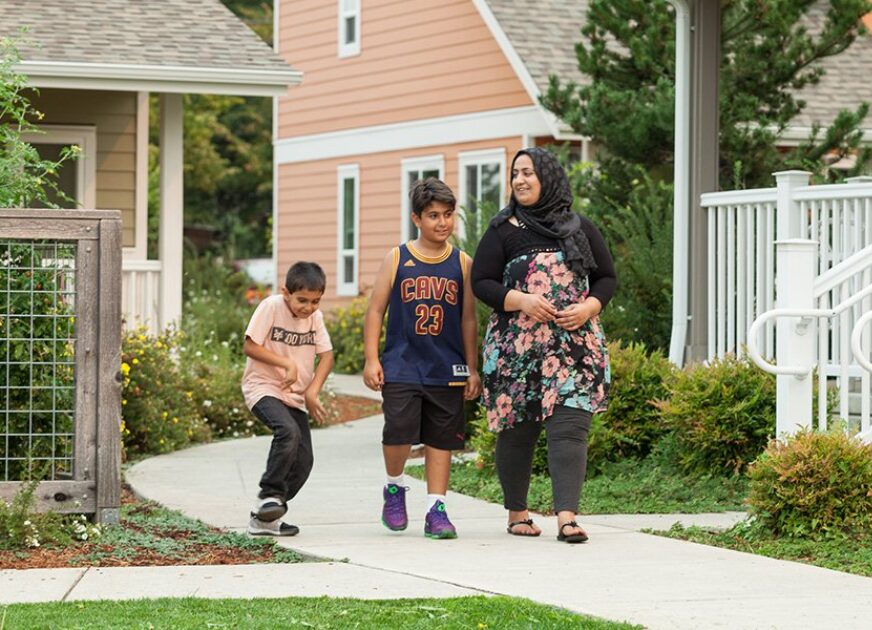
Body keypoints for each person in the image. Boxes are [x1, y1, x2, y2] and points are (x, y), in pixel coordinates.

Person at [471, 147, 616, 543]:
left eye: (528, 172)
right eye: (515, 173)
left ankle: (566, 517)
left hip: (574, 345)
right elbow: (481, 281)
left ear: (548, 178)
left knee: (571, 426)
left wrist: (588, 307)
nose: (519, 180)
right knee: (518, 429)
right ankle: (518, 512)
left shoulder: (579, 227)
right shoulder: (503, 229)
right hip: (517, 349)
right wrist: (522, 301)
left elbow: (606, 278)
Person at [363, 178, 481, 539]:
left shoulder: (462, 263)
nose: (442, 223)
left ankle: (436, 509)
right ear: (417, 218)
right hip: (401, 364)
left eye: (448, 215)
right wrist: (371, 359)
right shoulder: (398, 257)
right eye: (433, 215)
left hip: (446, 367)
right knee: (398, 429)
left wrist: (472, 368)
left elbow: (468, 318)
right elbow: (375, 310)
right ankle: (394, 487)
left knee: (442, 438)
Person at [242, 261, 334, 536]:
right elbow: (249, 346)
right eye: (302, 300)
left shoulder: (314, 318)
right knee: (287, 431)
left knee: (304, 462)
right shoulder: (271, 306)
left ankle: (265, 519)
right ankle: (268, 494)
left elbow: (327, 356)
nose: (308, 307)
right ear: (286, 293)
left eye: (315, 301)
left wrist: (313, 390)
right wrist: (286, 364)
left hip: (294, 397)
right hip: (264, 387)